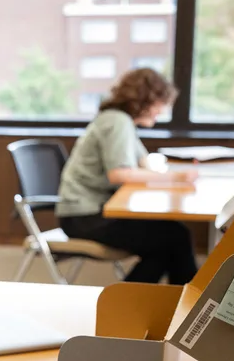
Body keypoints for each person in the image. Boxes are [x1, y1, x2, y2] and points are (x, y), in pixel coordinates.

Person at [57, 69, 199, 285]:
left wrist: (172, 173)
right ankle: (186, 308)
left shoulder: (123, 123)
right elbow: (119, 174)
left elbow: (145, 164)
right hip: (85, 217)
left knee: (166, 244)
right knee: (175, 237)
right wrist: (176, 178)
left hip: (92, 212)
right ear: (145, 100)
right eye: (161, 103)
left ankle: (131, 305)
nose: (162, 111)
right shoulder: (117, 122)